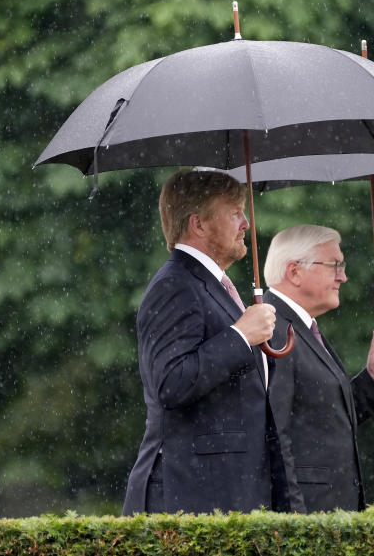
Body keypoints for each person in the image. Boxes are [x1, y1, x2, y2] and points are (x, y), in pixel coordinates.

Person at [122, 169, 284, 515]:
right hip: (191, 496)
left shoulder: (212, 285)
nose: (246, 223)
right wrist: (241, 336)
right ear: (198, 224)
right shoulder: (175, 285)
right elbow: (170, 383)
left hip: (224, 493)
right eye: (235, 212)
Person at [263, 224, 374, 512]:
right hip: (310, 521)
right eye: (335, 265)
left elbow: (325, 417)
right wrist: (295, 525)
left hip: (328, 516)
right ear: (294, 272)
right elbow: (277, 434)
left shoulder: (300, 327)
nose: (344, 276)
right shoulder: (273, 330)